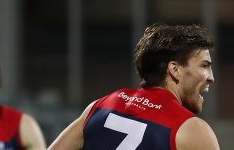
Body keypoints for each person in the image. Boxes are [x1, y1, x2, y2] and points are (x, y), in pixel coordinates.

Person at [48, 23, 220, 150]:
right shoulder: (192, 130)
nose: (211, 77)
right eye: (204, 66)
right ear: (175, 70)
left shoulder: (100, 106)